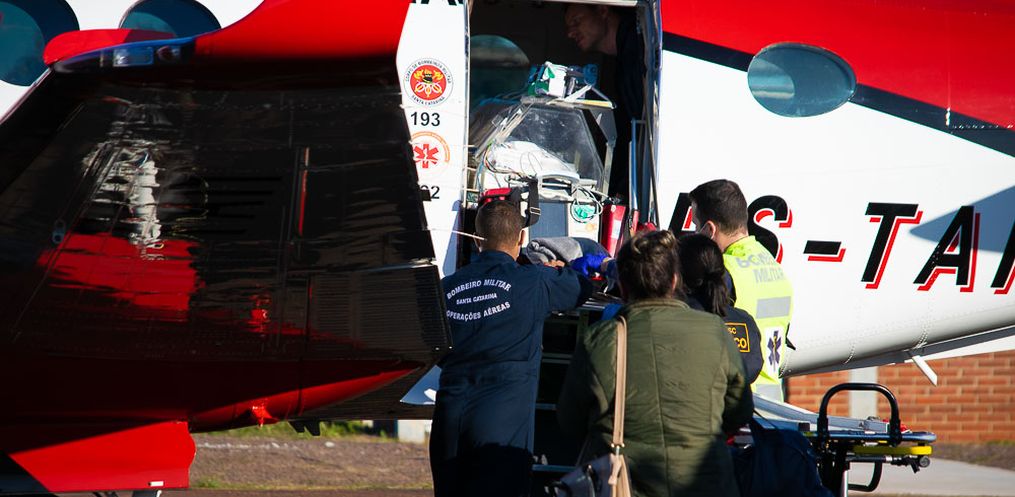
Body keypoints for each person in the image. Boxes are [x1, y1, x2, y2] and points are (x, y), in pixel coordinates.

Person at [557, 230, 753, 497]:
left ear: (622, 286)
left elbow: (570, 421)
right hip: (709, 484)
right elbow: (740, 411)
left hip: (625, 485)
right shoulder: (716, 331)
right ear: (675, 281)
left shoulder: (602, 340)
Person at [430, 200, 593, 497]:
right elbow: (581, 287)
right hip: (501, 423)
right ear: (521, 238)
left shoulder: (445, 288)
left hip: (449, 418)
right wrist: (559, 269)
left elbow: (434, 347)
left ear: (476, 238)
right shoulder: (534, 280)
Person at [689, 179, 793, 401]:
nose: (695, 232)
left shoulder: (723, 270)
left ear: (710, 230)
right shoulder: (773, 265)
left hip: (739, 400)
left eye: (696, 225)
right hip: (774, 400)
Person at [564, 3, 645, 199]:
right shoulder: (623, 57)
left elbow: (640, 128)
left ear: (602, 10)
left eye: (576, 21)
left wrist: (624, 189)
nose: (570, 33)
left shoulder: (638, 49)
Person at [677, 233, 764, 384]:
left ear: (678, 274)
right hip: (744, 397)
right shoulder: (745, 321)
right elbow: (751, 366)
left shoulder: (677, 322)